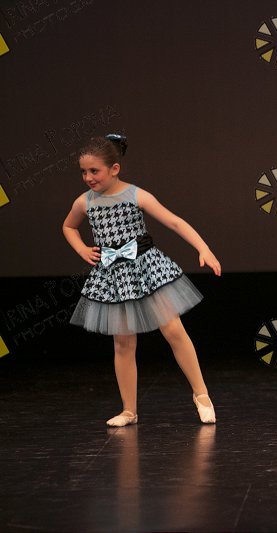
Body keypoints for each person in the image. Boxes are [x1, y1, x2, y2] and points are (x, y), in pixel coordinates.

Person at [63, 134, 221, 427]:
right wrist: (82, 248)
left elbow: (174, 221)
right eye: (83, 172)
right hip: (114, 276)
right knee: (123, 343)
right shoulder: (84, 202)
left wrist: (204, 248)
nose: (88, 177)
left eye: (94, 170)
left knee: (173, 329)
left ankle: (201, 395)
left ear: (114, 169)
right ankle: (129, 410)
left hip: (146, 269)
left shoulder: (136, 195)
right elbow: (68, 226)